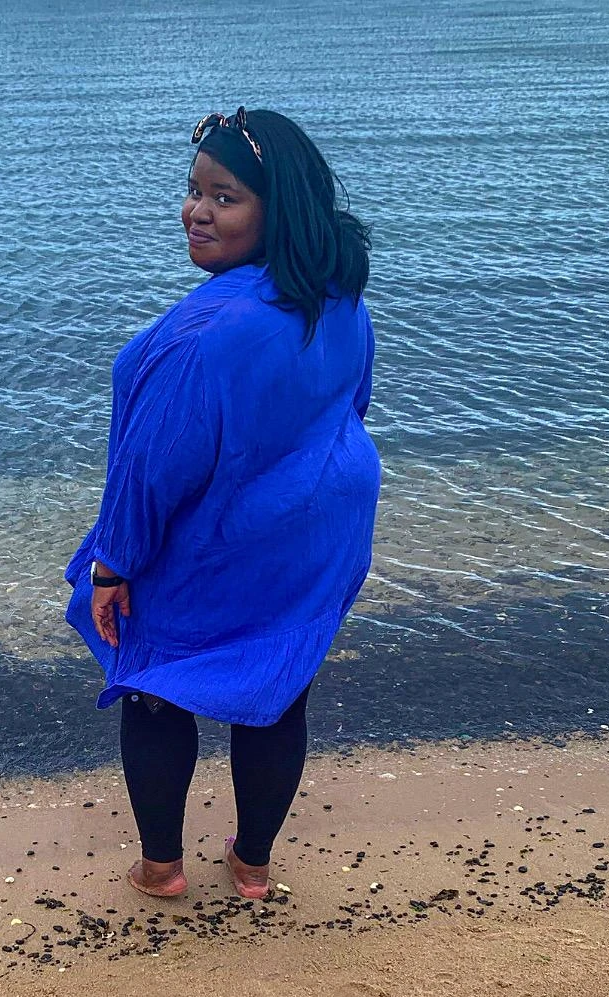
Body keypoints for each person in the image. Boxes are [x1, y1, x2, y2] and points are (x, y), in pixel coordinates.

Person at [64, 107, 380, 900]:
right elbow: (351, 405)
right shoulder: (337, 295)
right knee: (277, 686)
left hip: (232, 536)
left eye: (225, 197)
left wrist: (113, 566)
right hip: (320, 527)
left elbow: (151, 470)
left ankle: (161, 869)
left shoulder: (204, 336)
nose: (196, 212)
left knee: (155, 683)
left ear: (279, 210)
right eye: (194, 190)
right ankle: (252, 866)